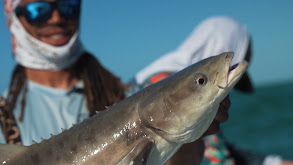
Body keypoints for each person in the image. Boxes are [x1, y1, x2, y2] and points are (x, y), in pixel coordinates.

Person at [0, 0, 230, 164]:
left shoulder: (126, 94)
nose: (57, 18)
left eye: (68, 6)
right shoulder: (3, 117)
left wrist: (189, 135)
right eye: (37, 10)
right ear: (12, 18)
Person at [130, 16, 293, 165]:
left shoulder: (155, 78)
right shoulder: (175, 88)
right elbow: (218, 161)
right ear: (221, 46)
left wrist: (273, 162)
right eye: (233, 66)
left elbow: (223, 150)